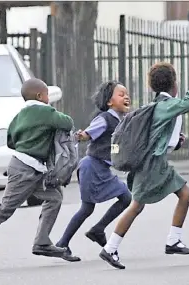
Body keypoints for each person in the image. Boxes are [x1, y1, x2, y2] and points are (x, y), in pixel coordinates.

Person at [0, 78, 73, 270]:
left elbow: (10, 140)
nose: (48, 98)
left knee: (54, 197)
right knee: (5, 208)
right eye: (46, 94)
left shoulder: (19, 115)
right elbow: (67, 122)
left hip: (27, 166)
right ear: (40, 96)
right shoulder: (45, 111)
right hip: (26, 171)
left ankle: (42, 243)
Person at [99, 62, 189, 270]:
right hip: (151, 166)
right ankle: (110, 248)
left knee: (186, 194)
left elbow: (161, 136)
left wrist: (176, 141)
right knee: (136, 206)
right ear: (174, 84)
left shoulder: (159, 106)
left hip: (158, 163)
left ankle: (173, 240)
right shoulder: (165, 105)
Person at [55, 80, 132, 262]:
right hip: (92, 166)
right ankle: (67, 242)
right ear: (109, 102)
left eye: (127, 94)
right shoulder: (105, 118)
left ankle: (84, 235)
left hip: (100, 167)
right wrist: (83, 135)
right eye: (121, 94)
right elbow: (90, 133)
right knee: (96, 205)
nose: (126, 97)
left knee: (93, 206)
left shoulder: (120, 121)